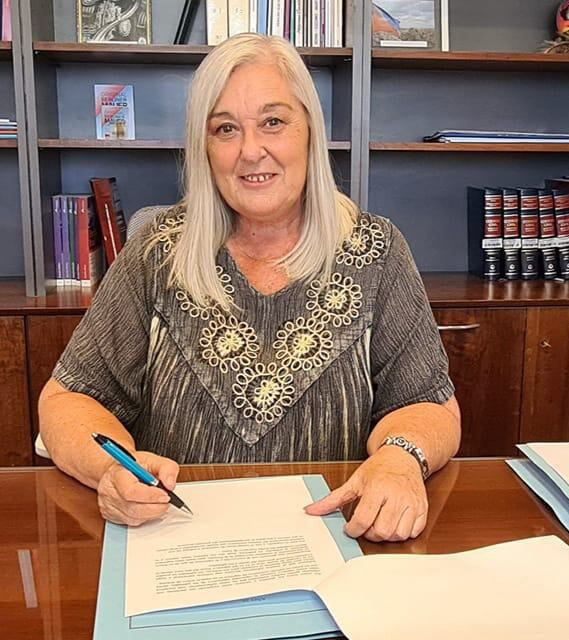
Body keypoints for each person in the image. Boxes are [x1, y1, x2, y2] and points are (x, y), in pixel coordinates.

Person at [37, 33, 461, 543]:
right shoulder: (157, 250)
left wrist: (400, 458)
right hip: (178, 542)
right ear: (204, 148)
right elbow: (66, 399)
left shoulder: (377, 249)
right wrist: (110, 471)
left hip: (336, 541)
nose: (250, 151)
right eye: (225, 129)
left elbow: (431, 405)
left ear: (309, 130)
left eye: (273, 122)